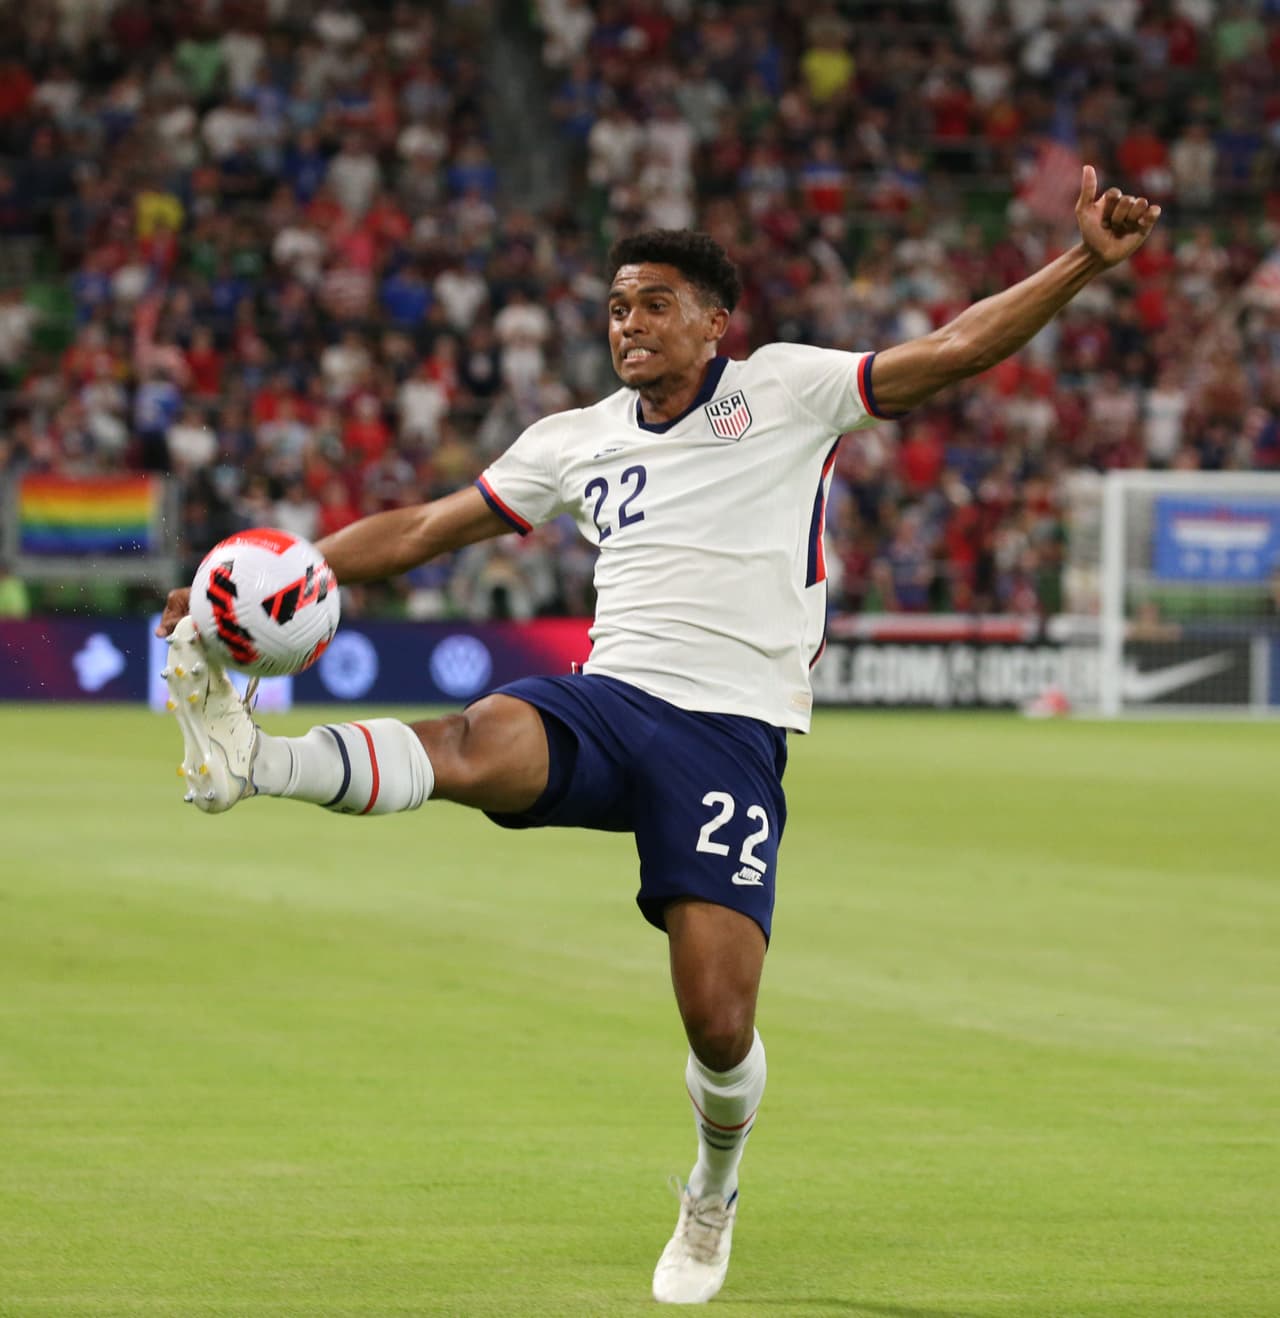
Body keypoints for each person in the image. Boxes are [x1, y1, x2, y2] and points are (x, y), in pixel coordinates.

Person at [157, 167, 1160, 1305]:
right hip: (613, 695)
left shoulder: (786, 389)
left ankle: (711, 1188)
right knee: (481, 742)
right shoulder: (573, 438)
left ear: (714, 321)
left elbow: (952, 350)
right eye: (617, 304)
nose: (627, 322)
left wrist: (1080, 261)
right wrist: (278, 578)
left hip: (730, 732)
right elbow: (427, 527)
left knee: (717, 1019)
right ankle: (254, 762)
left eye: (652, 302)